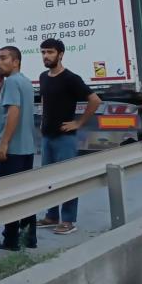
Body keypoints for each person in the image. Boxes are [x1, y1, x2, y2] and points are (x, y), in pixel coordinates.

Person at [35, 38, 102, 235]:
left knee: (67, 179)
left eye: (50, 52)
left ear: (61, 54)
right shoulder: (43, 77)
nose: (46, 56)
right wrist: (43, 121)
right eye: (43, 52)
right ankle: (52, 216)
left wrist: (78, 123)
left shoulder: (71, 78)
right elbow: (46, 100)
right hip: (47, 137)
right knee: (49, 179)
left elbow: (95, 100)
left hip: (65, 138)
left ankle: (69, 220)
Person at [0, 46, 37, 251]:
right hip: (27, 148)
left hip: (12, 151)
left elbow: (13, 112)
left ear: (16, 61)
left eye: (3, 58)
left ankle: (10, 240)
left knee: (9, 196)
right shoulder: (25, 81)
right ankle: (29, 238)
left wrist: (4, 143)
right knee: (26, 195)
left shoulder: (11, 82)